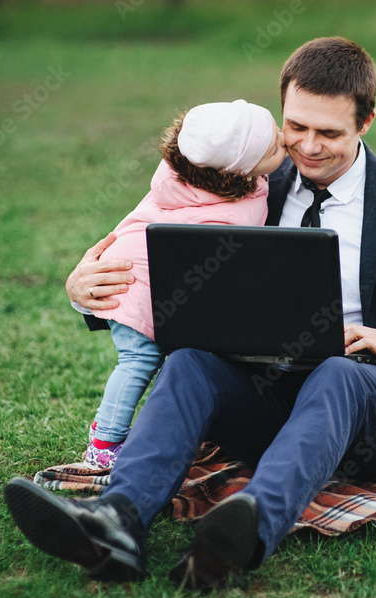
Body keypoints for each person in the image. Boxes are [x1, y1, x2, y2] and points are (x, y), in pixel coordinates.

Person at [5, 37, 376, 588]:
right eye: (296, 127)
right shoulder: (249, 181)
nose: (308, 146)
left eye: (329, 133)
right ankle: (117, 521)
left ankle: (244, 529)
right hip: (267, 396)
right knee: (189, 362)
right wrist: (82, 287)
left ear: (366, 121)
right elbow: (154, 256)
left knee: (337, 373)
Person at [81, 100, 287, 470]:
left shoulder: (193, 178)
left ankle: (138, 433)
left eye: (276, 130)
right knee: (139, 358)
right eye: (273, 147)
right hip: (135, 279)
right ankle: (104, 442)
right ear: (240, 171)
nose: (284, 140)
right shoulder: (231, 211)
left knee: (164, 362)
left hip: (149, 270)